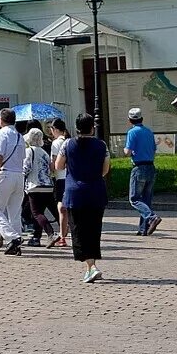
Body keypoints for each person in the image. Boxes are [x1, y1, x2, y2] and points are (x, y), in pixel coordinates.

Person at [54, 111, 110, 284]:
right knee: (94, 230)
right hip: (96, 192)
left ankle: (90, 267)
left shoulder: (68, 144)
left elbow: (58, 165)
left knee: (78, 231)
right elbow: (105, 170)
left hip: (75, 193)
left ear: (76, 128)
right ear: (92, 128)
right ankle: (91, 266)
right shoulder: (101, 145)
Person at [0, 107, 25, 255]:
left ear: (1, 120)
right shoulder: (19, 136)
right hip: (19, 175)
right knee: (14, 212)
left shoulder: (2, 133)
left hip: (5, 174)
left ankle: (12, 238)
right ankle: (16, 243)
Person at [123, 106, 161, 235]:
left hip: (139, 167)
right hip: (151, 166)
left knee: (134, 199)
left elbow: (128, 152)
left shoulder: (132, 132)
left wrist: (126, 150)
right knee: (146, 199)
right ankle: (143, 229)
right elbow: (154, 150)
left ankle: (152, 217)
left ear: (130, 120)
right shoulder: (149, 132)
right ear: (142, 119)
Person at [22, 127, 59, 247]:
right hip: (47, 185)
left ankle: (50, 233)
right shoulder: (44, 152)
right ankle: (36, 237)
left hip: (35, 186)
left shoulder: (29, 151)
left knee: (36, 213)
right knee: (41, 212)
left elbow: (26, 168)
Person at [47, 117, 71, 248]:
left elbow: (54, 164)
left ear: (55, 129)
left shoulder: (56, 143)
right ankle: (66, 232)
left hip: (60, 178)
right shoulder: (70, 141)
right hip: (71, 177)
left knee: (61, 208)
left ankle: (62, 236)